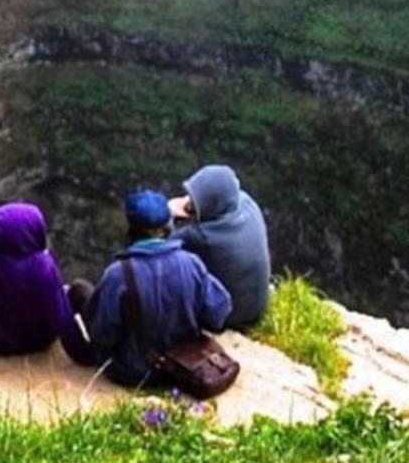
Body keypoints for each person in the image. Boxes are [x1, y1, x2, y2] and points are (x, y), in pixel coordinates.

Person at [85, 190, 232, 388]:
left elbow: (103, 334)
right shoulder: (191, 263)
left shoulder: (117, 275)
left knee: (80, 291)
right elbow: (218, 314)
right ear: (167, 227)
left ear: (130, 229)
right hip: (185, 366)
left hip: (133, 372)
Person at [0, 202, 97, 377]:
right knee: (75, 290)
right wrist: (86, 356)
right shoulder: (42, 266)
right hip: (39, 341)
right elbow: (62, 319)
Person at [169, 164, 272, 328]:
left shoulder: (201, 237)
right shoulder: (249, 204)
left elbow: (162, 250)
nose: (188, 201)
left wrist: (170, 213)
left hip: (228, 317)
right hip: (258, 306)